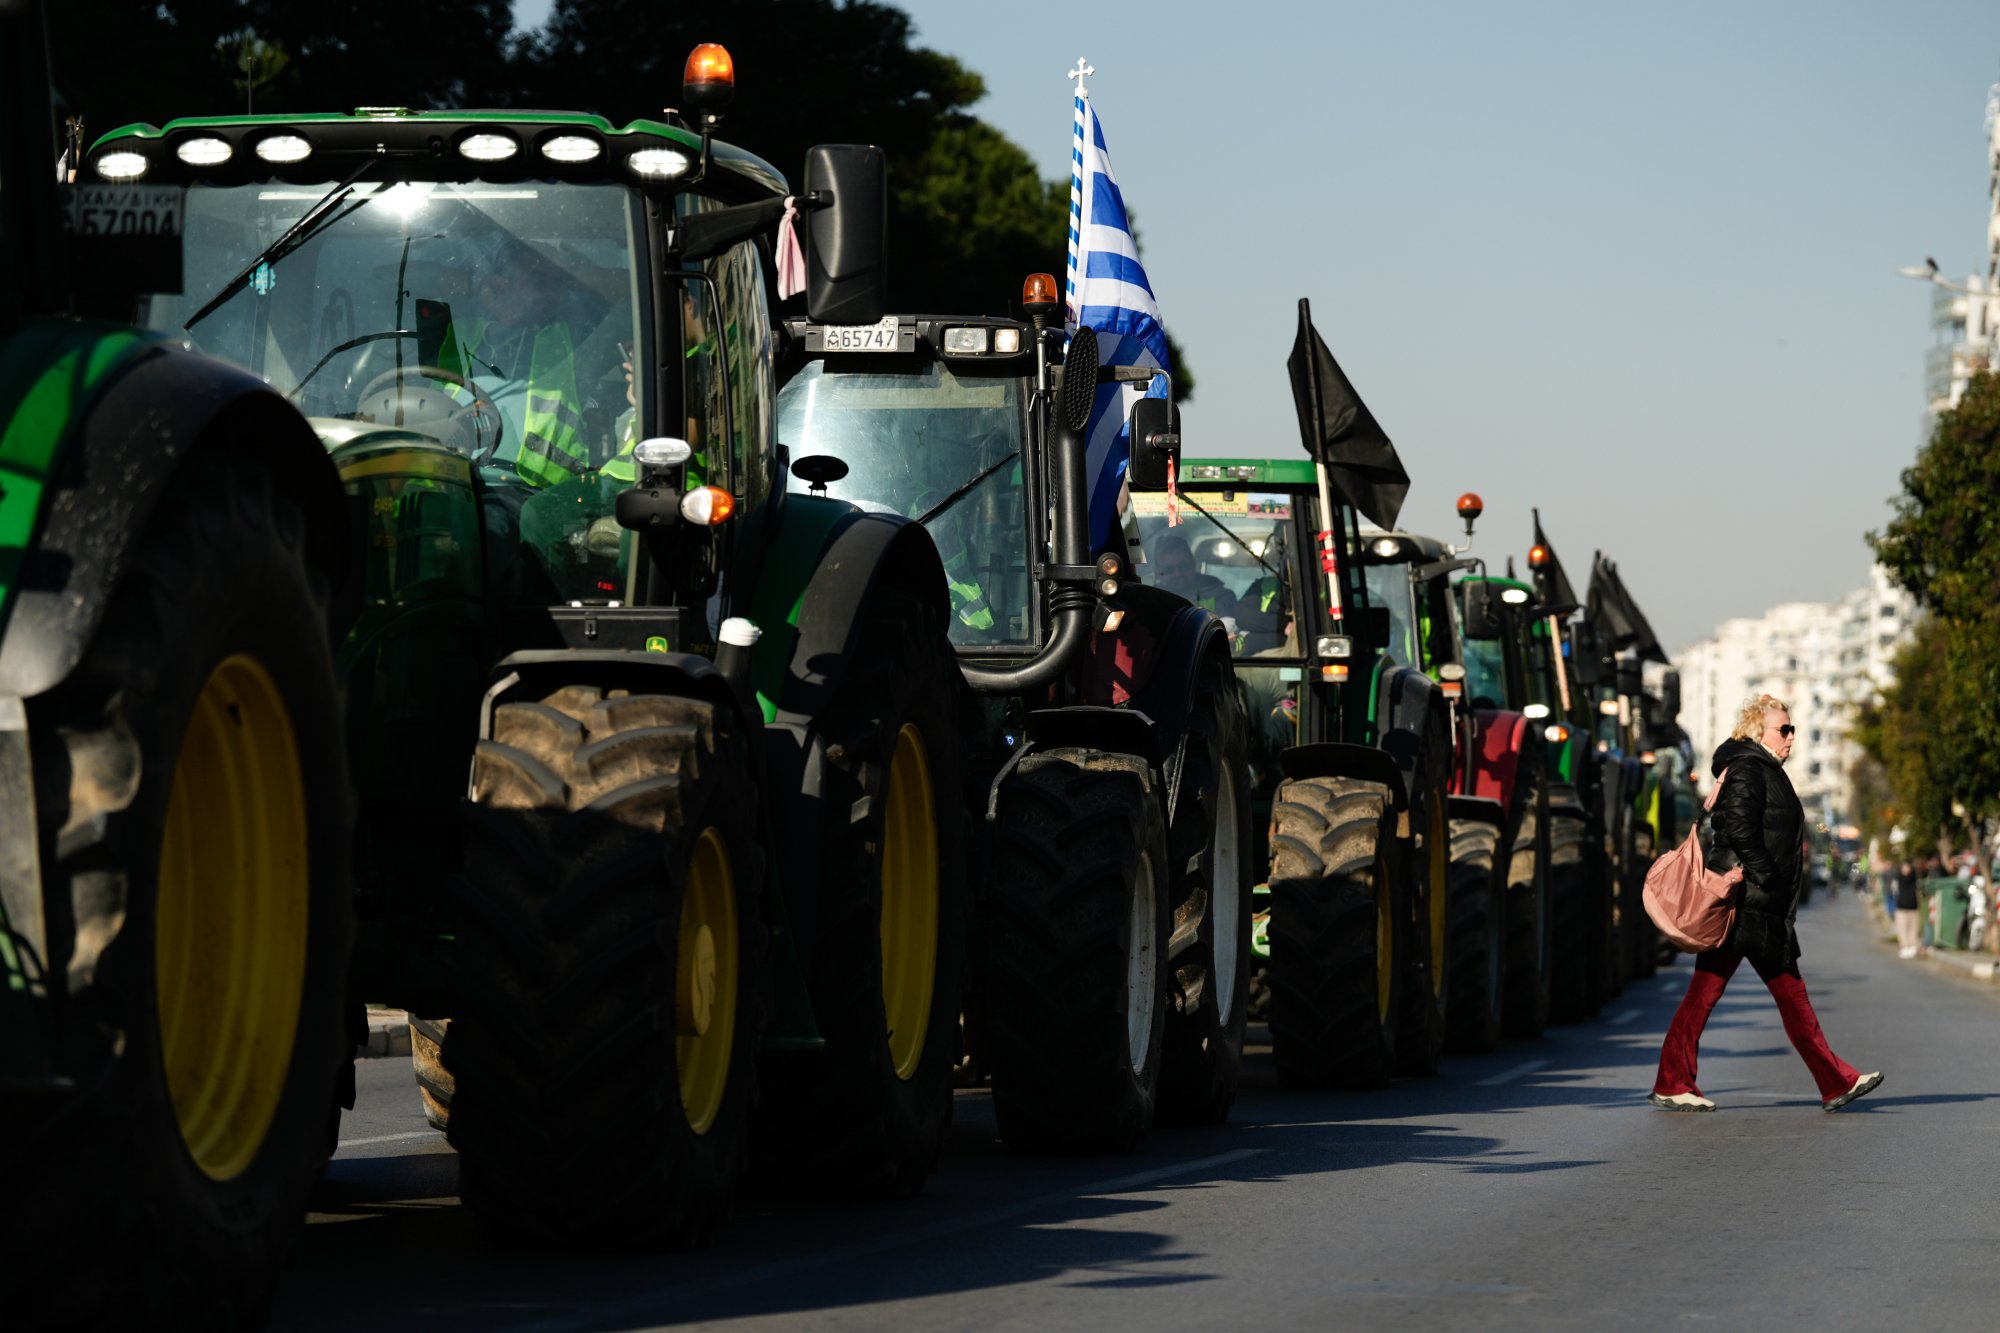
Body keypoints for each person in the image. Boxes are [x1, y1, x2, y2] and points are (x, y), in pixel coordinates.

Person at [1650, 694, 1883, 1113]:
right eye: (1784, 730)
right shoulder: (1749, 769)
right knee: (1775, 997)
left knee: (1720, 996)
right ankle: (1834, 1082)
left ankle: (1674, 1080)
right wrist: (1768, 874)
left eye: (1793, 729)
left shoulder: (1762, 769)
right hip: (1746, 903)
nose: (1792, 738)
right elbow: (1738, 826)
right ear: (1759, 732)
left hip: (1757, 905)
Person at [1893, 858, 1922, 958]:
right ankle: (1904, 946)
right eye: (1904, 867)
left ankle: (1912, 946)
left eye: (1907, 867)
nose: (1906, 869)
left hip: (1913, 906)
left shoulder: (1914, 878)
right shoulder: (1899, 877)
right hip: (1901, 907)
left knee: (1913, 928)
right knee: (1902, 928)